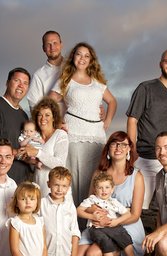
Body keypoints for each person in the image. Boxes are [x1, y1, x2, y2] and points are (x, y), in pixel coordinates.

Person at [76, 131, 145, 256]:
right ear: (108, 149)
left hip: (123, 226)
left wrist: (113, 222)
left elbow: (135, 213)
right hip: (97, 224)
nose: (119, 148)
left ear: (129, 150)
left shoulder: (136, 177)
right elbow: (89, 203)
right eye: (115, 144)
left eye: (123, 145)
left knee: (92, 255)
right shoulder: (99, 173)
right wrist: (97, 214)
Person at [49, 42, 117, 208]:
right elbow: (49, 103)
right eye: (79, 54)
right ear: (73, 57)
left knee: (94, 178)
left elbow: (112, 101)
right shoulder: (65, 80)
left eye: (87, 56)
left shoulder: (97, 82)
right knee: (74, 176)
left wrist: (107, 120)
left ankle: (90, 222)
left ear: (91, 60)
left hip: (97, 136)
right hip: (74, 134)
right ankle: (73, 223)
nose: (82, 58)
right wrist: (57, 122)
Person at [126, 48, 167, 209]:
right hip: (146, 158)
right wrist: (132, 150)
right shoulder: (145, 88)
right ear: (161, 64)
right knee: (137, 206)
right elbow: (132, 120)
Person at [77, 172, 144, 256]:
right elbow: (78, 210)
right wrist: (92, 216)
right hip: (97, 229)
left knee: (125, 238)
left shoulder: (114, 202)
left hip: (112, 225)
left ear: (112, 189)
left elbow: (127, 214)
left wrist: (116, 222)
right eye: (100, 188)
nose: (104, 190)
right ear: (95, 189)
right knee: (106, 244)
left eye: (107, 187)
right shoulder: (92, 200)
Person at [17, 97, 68, 198]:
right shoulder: (34, 135)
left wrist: (37, 153)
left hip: (56, 190)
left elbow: (60, 163)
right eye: (39, 115)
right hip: (38, 185)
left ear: (54, 117)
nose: (43, 118)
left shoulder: (60, 134)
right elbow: (26, 156)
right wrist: (29, 159)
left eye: (47, 115)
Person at [26, 30, 64, 111]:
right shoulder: (38, 75)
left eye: (55, 43)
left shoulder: (76, 67)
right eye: (48, 44)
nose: (52, 47)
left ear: (61, 45)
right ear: (43, 48)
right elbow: (34, 109)